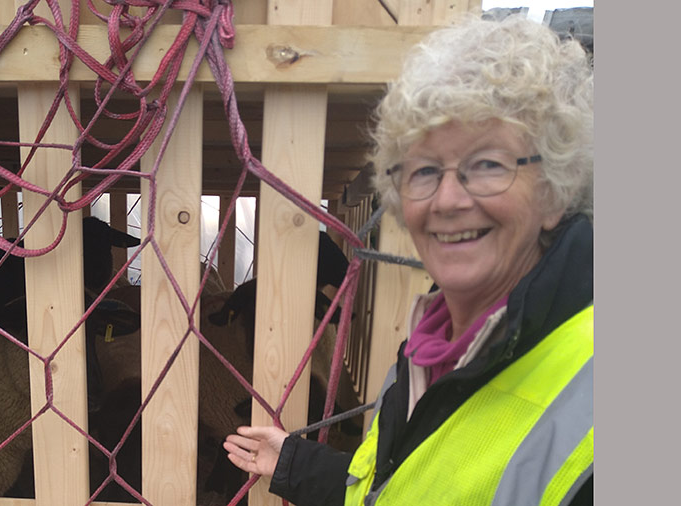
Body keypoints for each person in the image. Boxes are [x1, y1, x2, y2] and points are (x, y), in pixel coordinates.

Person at [223, 14, 593, 506]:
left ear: (552, 192)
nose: (447, 199)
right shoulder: (421, 353)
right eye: (423, 170)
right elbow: (401, 488)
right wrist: (294, 460)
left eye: (487, 165)